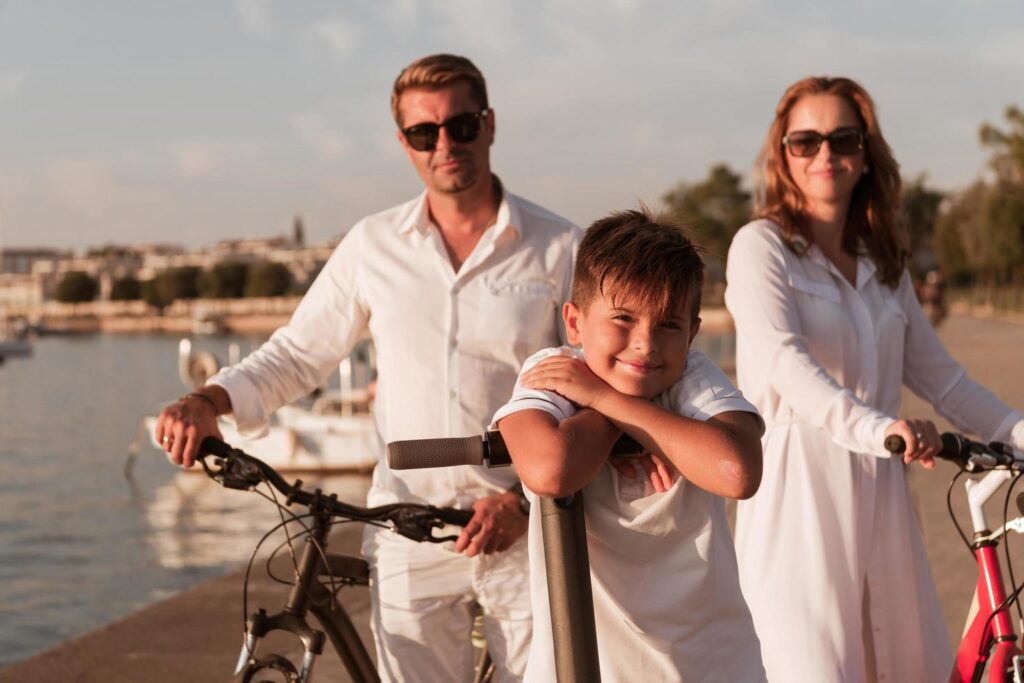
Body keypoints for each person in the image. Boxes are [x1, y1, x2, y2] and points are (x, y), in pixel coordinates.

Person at [155, 53, 581, 683]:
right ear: (404, 143)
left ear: (489, 125)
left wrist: (523, 498)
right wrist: (209, 401)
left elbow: (590, 389)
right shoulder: (372, 245)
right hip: (406, 524)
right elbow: (300, 351)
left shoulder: (561, 246)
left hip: (527, 527)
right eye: (423, 133)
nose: (445, 144)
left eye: (461, 126)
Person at [725, 76, 1024, 682]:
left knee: (901, 662)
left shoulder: (885, 267)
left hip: (883, 491)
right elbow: (787, 365)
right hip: (798, 493)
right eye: (804, 142)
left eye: (843, 139)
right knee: (810, 664)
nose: (825, 156)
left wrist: (1020, 433)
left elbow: (946, 382)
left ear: (866, 154)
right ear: (782, 156)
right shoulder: (760, 249)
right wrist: (877, 426)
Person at [493, 209, 767, 682]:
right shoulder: (557, 369)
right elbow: (549, 469)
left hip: (710, 663)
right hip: (589, 663)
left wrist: (607, 400)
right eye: (623, 318)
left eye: (667, 325)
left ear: (692, 333)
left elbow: (737, 472)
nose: (644, 344)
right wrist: (631, 419)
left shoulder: (690, 374)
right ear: (574, 323)